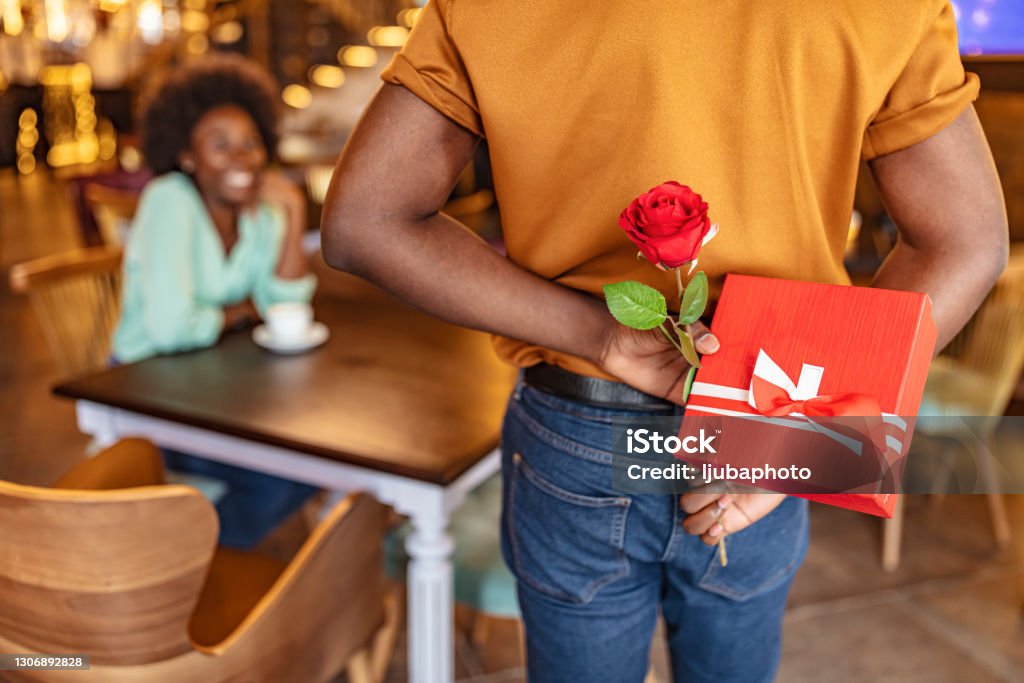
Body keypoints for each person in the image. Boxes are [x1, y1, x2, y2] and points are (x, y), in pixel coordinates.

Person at [321, 1, 1009, 680]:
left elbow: (365, 220)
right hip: (764, 423)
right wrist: (802, 440)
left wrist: (600, 335)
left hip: (578, 422)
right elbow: (968, 240)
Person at [112, 54, 318, 549]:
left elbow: (286, 303)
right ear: (188, 156)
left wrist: (291, 213)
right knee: (272, 483)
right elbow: (168, 330)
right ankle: (171, 560)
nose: (241, 158)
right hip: (145, 388)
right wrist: (235, 311)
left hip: (218, 388)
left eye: (250, 144)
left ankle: (196, 552)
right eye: (220, 145)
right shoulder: (170, 200)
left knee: (314, 468)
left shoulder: (258, 212)